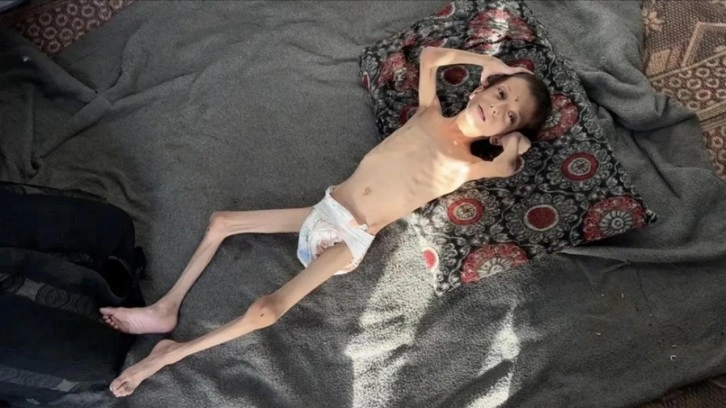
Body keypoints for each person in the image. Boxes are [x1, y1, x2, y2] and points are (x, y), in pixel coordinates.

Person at [100, 46, 553, 397]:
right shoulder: (428, 112)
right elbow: (432, 57)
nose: (498, 108)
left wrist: (514, 135)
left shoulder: (470, 164)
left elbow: (515, 158)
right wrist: (491, 63)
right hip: (326, 207)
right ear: (479, 89)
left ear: (503, 130)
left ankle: (168, 356)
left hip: (350, 238)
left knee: (267, 310)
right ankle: (165, 308)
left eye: (509, 114)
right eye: (498, 94)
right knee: (221, 222)